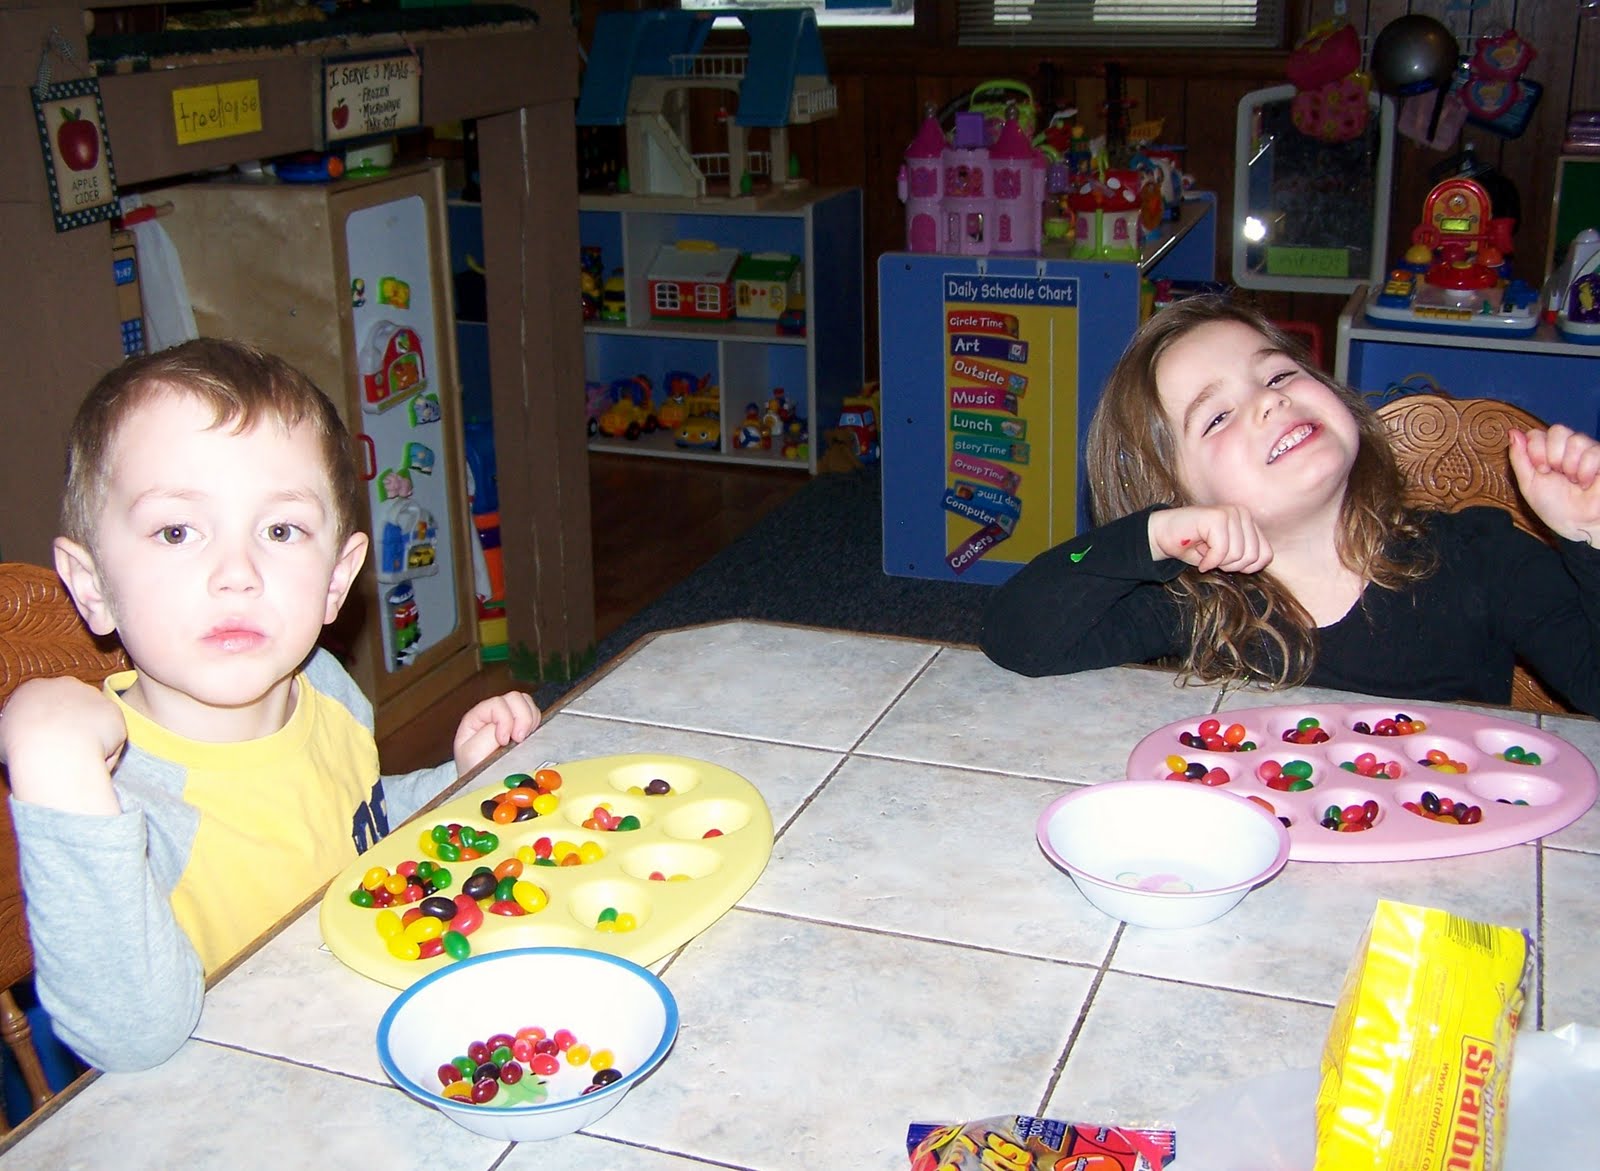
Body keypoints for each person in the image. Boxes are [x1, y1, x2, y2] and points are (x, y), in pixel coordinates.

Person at [0, 339, 541, 1072]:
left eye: (280, 531)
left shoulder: (325, 687)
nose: (237, 573)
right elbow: (131, 1039)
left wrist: (458, 785)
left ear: (335, 578)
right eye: (176, 531)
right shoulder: (120, 796)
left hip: (372, 1035)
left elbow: (356, 825)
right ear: (91, 585)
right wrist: (55, 767)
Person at [980, 296, 1600, 717]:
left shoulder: (1481, 556)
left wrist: (1589, 535)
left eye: (1277, 376)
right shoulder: (1194, 604)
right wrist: (1147, 538)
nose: (1268, 403)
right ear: (1179, 499)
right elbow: (1017, 637)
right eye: (1217, 416)